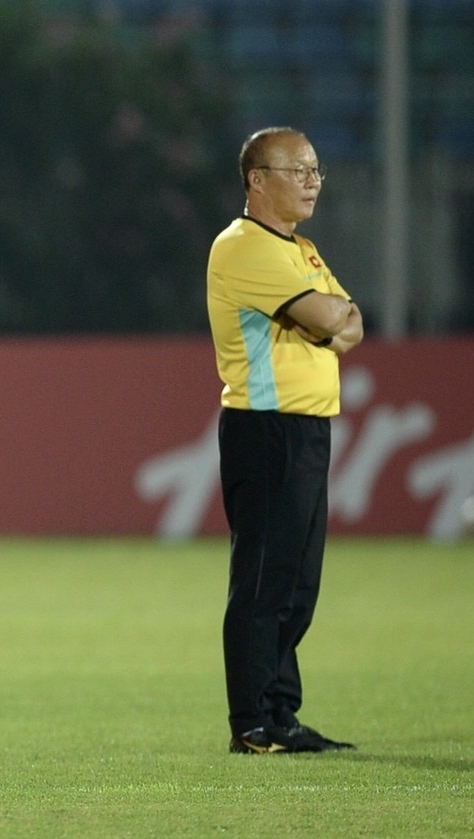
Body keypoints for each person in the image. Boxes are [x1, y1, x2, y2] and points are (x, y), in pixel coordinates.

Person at [207, 127, 363, 755]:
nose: (312, 180)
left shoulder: (300, 249)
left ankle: (280, 715)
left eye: (316, 169)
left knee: (297, 586)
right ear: (257, 179)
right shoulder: (244, 246)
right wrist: (327, 319)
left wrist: (329, 319)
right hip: (265, 429)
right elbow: (334, 319)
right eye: (297, 169)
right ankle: (250, 723)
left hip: (305, 430)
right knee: (264, 581)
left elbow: (351, 324)